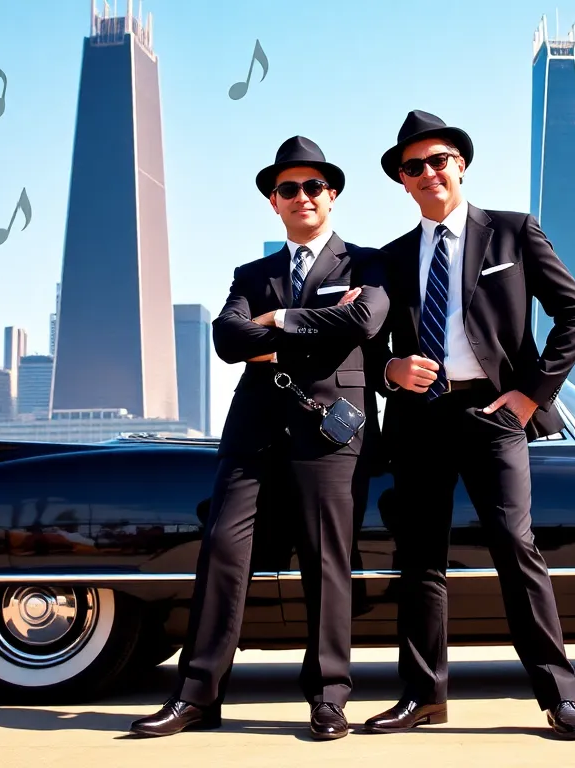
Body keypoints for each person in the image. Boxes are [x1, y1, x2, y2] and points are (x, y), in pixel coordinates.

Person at [130, 136, 388, 741]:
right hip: (252, 435)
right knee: (222, 549)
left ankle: (328, 696)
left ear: (333, 195)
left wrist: (275, 324)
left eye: (313, 186)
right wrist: (305, 331)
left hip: (330, 434)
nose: (301, 196)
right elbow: (226, 340)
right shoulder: (253, 273)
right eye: (288, 189)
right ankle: (197, 695)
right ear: (274, 203)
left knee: (328, 562)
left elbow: (365, 320)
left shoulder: (366, 264)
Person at [362, 110, 575, 740]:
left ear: (460, 164)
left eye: (439, 160)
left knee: (515, 548)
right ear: (403, 182)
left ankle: (558, 695)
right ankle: (423, 695)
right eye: (415, 167)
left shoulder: (514, 233)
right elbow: (365, 342)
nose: (429, 173)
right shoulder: (388, 259)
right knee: (419, 559)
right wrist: (389, 369)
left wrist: (529, 395)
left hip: (493, 415)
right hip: (419, 419)